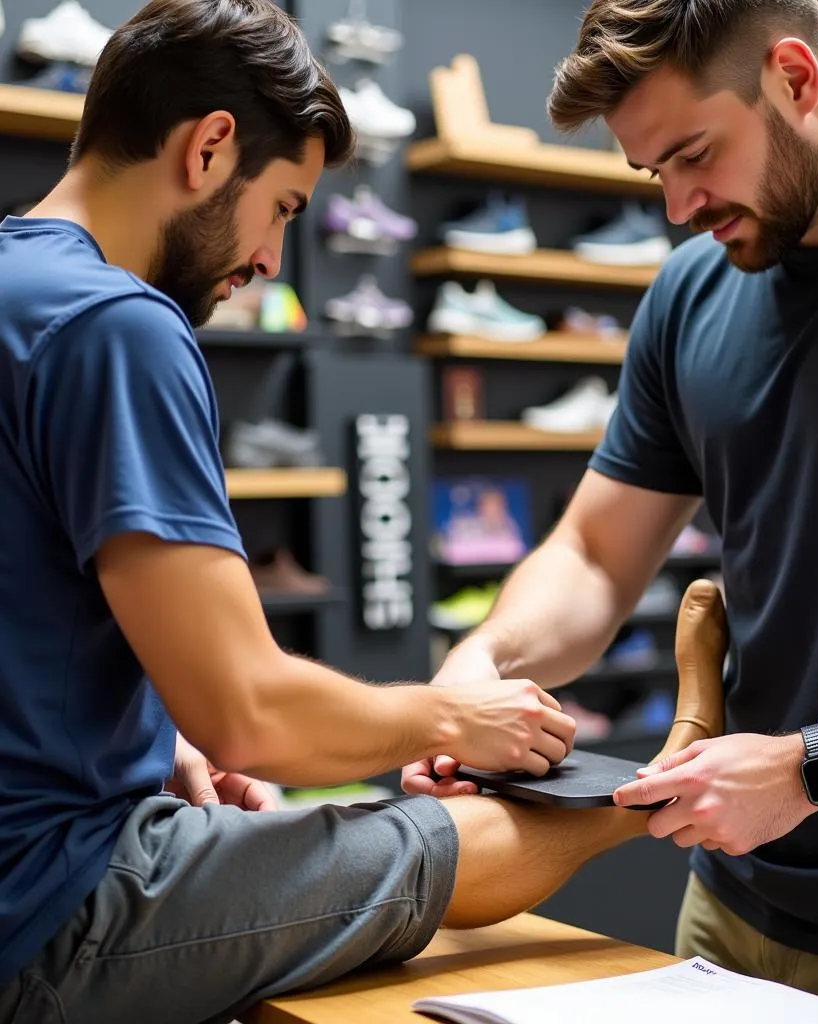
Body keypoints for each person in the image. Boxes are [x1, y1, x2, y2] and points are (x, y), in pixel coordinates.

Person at [0, 2, 667, 1021]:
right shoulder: (119, 326)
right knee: (440, 834)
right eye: (285, 208)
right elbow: (250, 714)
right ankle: (669, 781)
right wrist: (454, 715)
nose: (270, 259)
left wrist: (146, 742)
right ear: (210, 148)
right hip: (50, 908)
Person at [403, 2, 818, 1022]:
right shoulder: (691, 291)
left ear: (791, 75)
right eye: (654, 174)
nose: (680, 206)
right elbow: (598, 554)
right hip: (730, 914)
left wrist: (810, 766)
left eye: (694, 154)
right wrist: (483, 670)